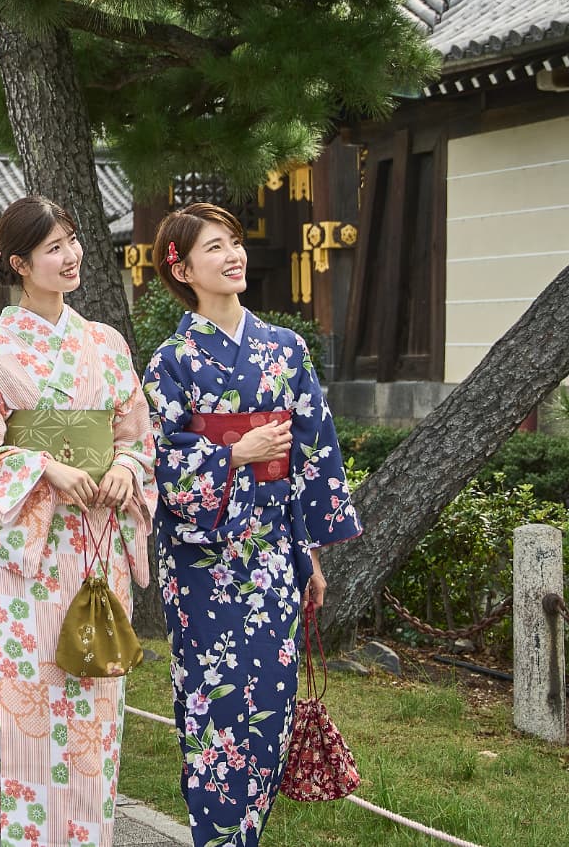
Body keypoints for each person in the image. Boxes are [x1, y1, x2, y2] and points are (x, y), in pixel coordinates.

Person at [0, 195, 157, 847]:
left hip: (92, 550)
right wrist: (41, 467)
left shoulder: (106, 344)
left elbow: (137, 436)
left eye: (73, 240)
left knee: (91, 709)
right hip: (25, 561)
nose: (71, 255)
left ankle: (87, 837)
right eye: (53, 247)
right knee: (19, 707)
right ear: (19, 264)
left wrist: (124, 467)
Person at [144, 201, 361, 847]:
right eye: (214, 247)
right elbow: (155, 458)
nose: (233, 255)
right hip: (203, 558)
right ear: (180, 266)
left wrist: (311, 555)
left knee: (269, 699)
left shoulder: (285, 348)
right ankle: (215, 837)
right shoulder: (171, 361)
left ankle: (248, 835)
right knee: (212, 701)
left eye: (234, 242)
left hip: (271, 550)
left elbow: (313, 449)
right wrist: (232, 453)